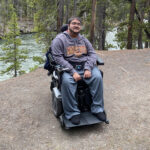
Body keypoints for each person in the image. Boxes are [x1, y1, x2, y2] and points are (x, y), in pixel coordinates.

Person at [51, 17, 106, 125]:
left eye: (78, 24)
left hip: (85, 66)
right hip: (68, 68)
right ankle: (72, 113)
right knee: (67, 82)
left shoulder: (83, 39)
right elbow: (58, 58)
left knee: (97, 77)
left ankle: (97, 109)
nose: (76, 25)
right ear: (68, 25)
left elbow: (92, 54)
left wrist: (88, 68)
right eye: (74, 23)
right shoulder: (59, 40)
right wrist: (73, 72)